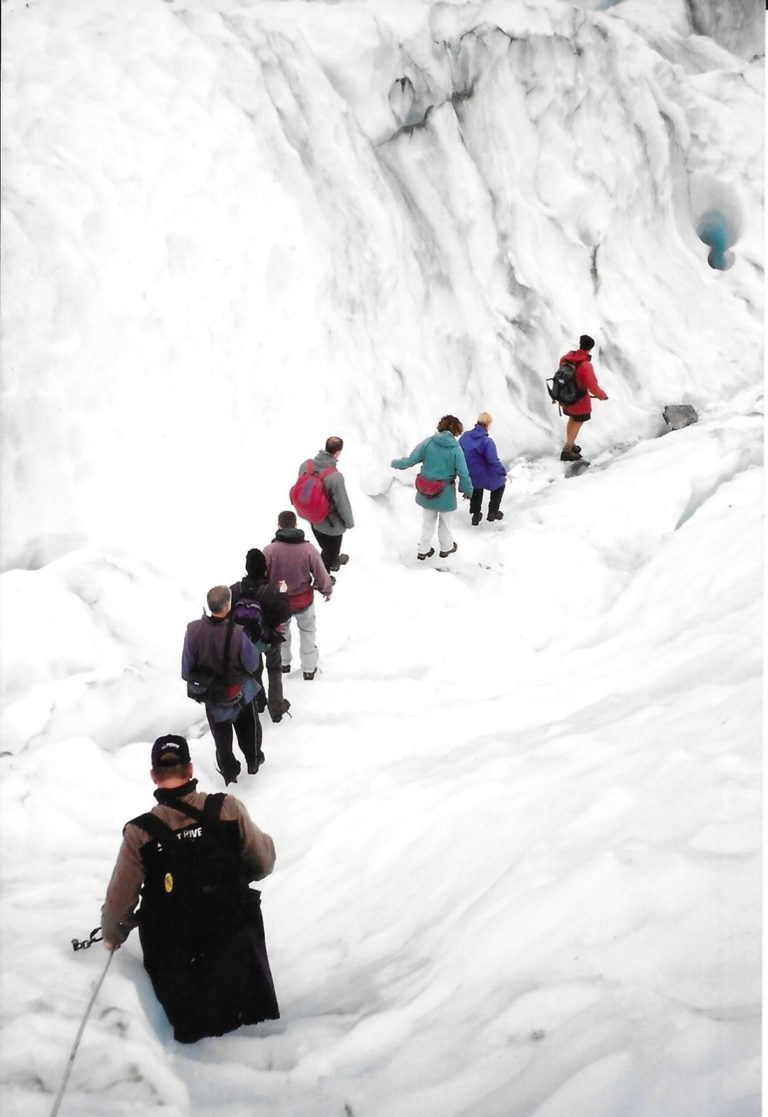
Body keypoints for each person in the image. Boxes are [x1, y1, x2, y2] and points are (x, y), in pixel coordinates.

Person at [101, 734, 279, 1044]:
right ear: (190, 769)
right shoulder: (227, 808)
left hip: (178, 957)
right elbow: (263, 862)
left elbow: (120, 902)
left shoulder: (139, 833)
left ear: (154, 775)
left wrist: (113, 935)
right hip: (235, 946)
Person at [182, 585, 264, 785]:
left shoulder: (193, 630)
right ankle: (253, 761)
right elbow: (253, 664)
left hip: (213, 696)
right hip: (240, 693)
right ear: (228, 606)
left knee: (222, 740)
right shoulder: (238, 634)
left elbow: (186, 669)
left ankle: (229, 773)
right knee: (249, 730)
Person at [391, 415, 473, 560]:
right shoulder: (456, 449)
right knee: (446, 523)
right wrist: (467, 490)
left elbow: (410, 461)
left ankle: (423, 550)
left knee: (427, 522)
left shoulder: (428, 442)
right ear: (456, 430)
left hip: (427, 491)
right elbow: (463, 474)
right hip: (445, 493)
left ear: (441, 426)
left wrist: (396, 463)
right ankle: (446, 548)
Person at [263, 511, 333, 680]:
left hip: (280, 603)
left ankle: (284, 663)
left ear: (278, 526)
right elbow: (320, 572)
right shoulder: (307, 549)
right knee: (308, 632)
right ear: (295, 525)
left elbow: (263, 576)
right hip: (304, 600)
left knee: (282, 633)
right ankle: (309, 668)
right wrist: (326, 589)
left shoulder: (269, 550)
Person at [230, 549, 293, 724]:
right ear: (264, 568)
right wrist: (283, 594)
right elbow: (284, 614)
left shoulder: (235, 590)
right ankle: (276, 708)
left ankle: (258, 701)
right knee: (274, 670)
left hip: (245, 642)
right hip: (269, 639)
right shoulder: (270, 591)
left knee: (253, 671)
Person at [306, 436, 355, 574]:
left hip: (312, 518)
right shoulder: (335, 477)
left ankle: (332, 560)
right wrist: (349, 523)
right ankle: (323, 575)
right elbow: (342, 503)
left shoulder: (307, 465)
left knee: (325, 547)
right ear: (338, 452)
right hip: (331, 525)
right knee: (330, 551)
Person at [559, 334, 608, 461]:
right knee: (578, 421)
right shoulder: (585, 365)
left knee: (572, 419)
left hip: (566, 397)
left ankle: (570, 443)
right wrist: (602, 396)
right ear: (590, 348)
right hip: (579, 400)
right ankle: (568, 449)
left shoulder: (566, 358)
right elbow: (592, 386)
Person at [459, 412, 507, 525]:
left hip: (470, 474)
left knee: (476, 486)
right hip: (485, 475)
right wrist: (502, 472)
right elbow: (493, 461)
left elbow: (458, 453)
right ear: (488, 425)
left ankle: (475, 513)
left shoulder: (465, 437)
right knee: (500, 484)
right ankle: (493, 512)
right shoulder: (487, 442)